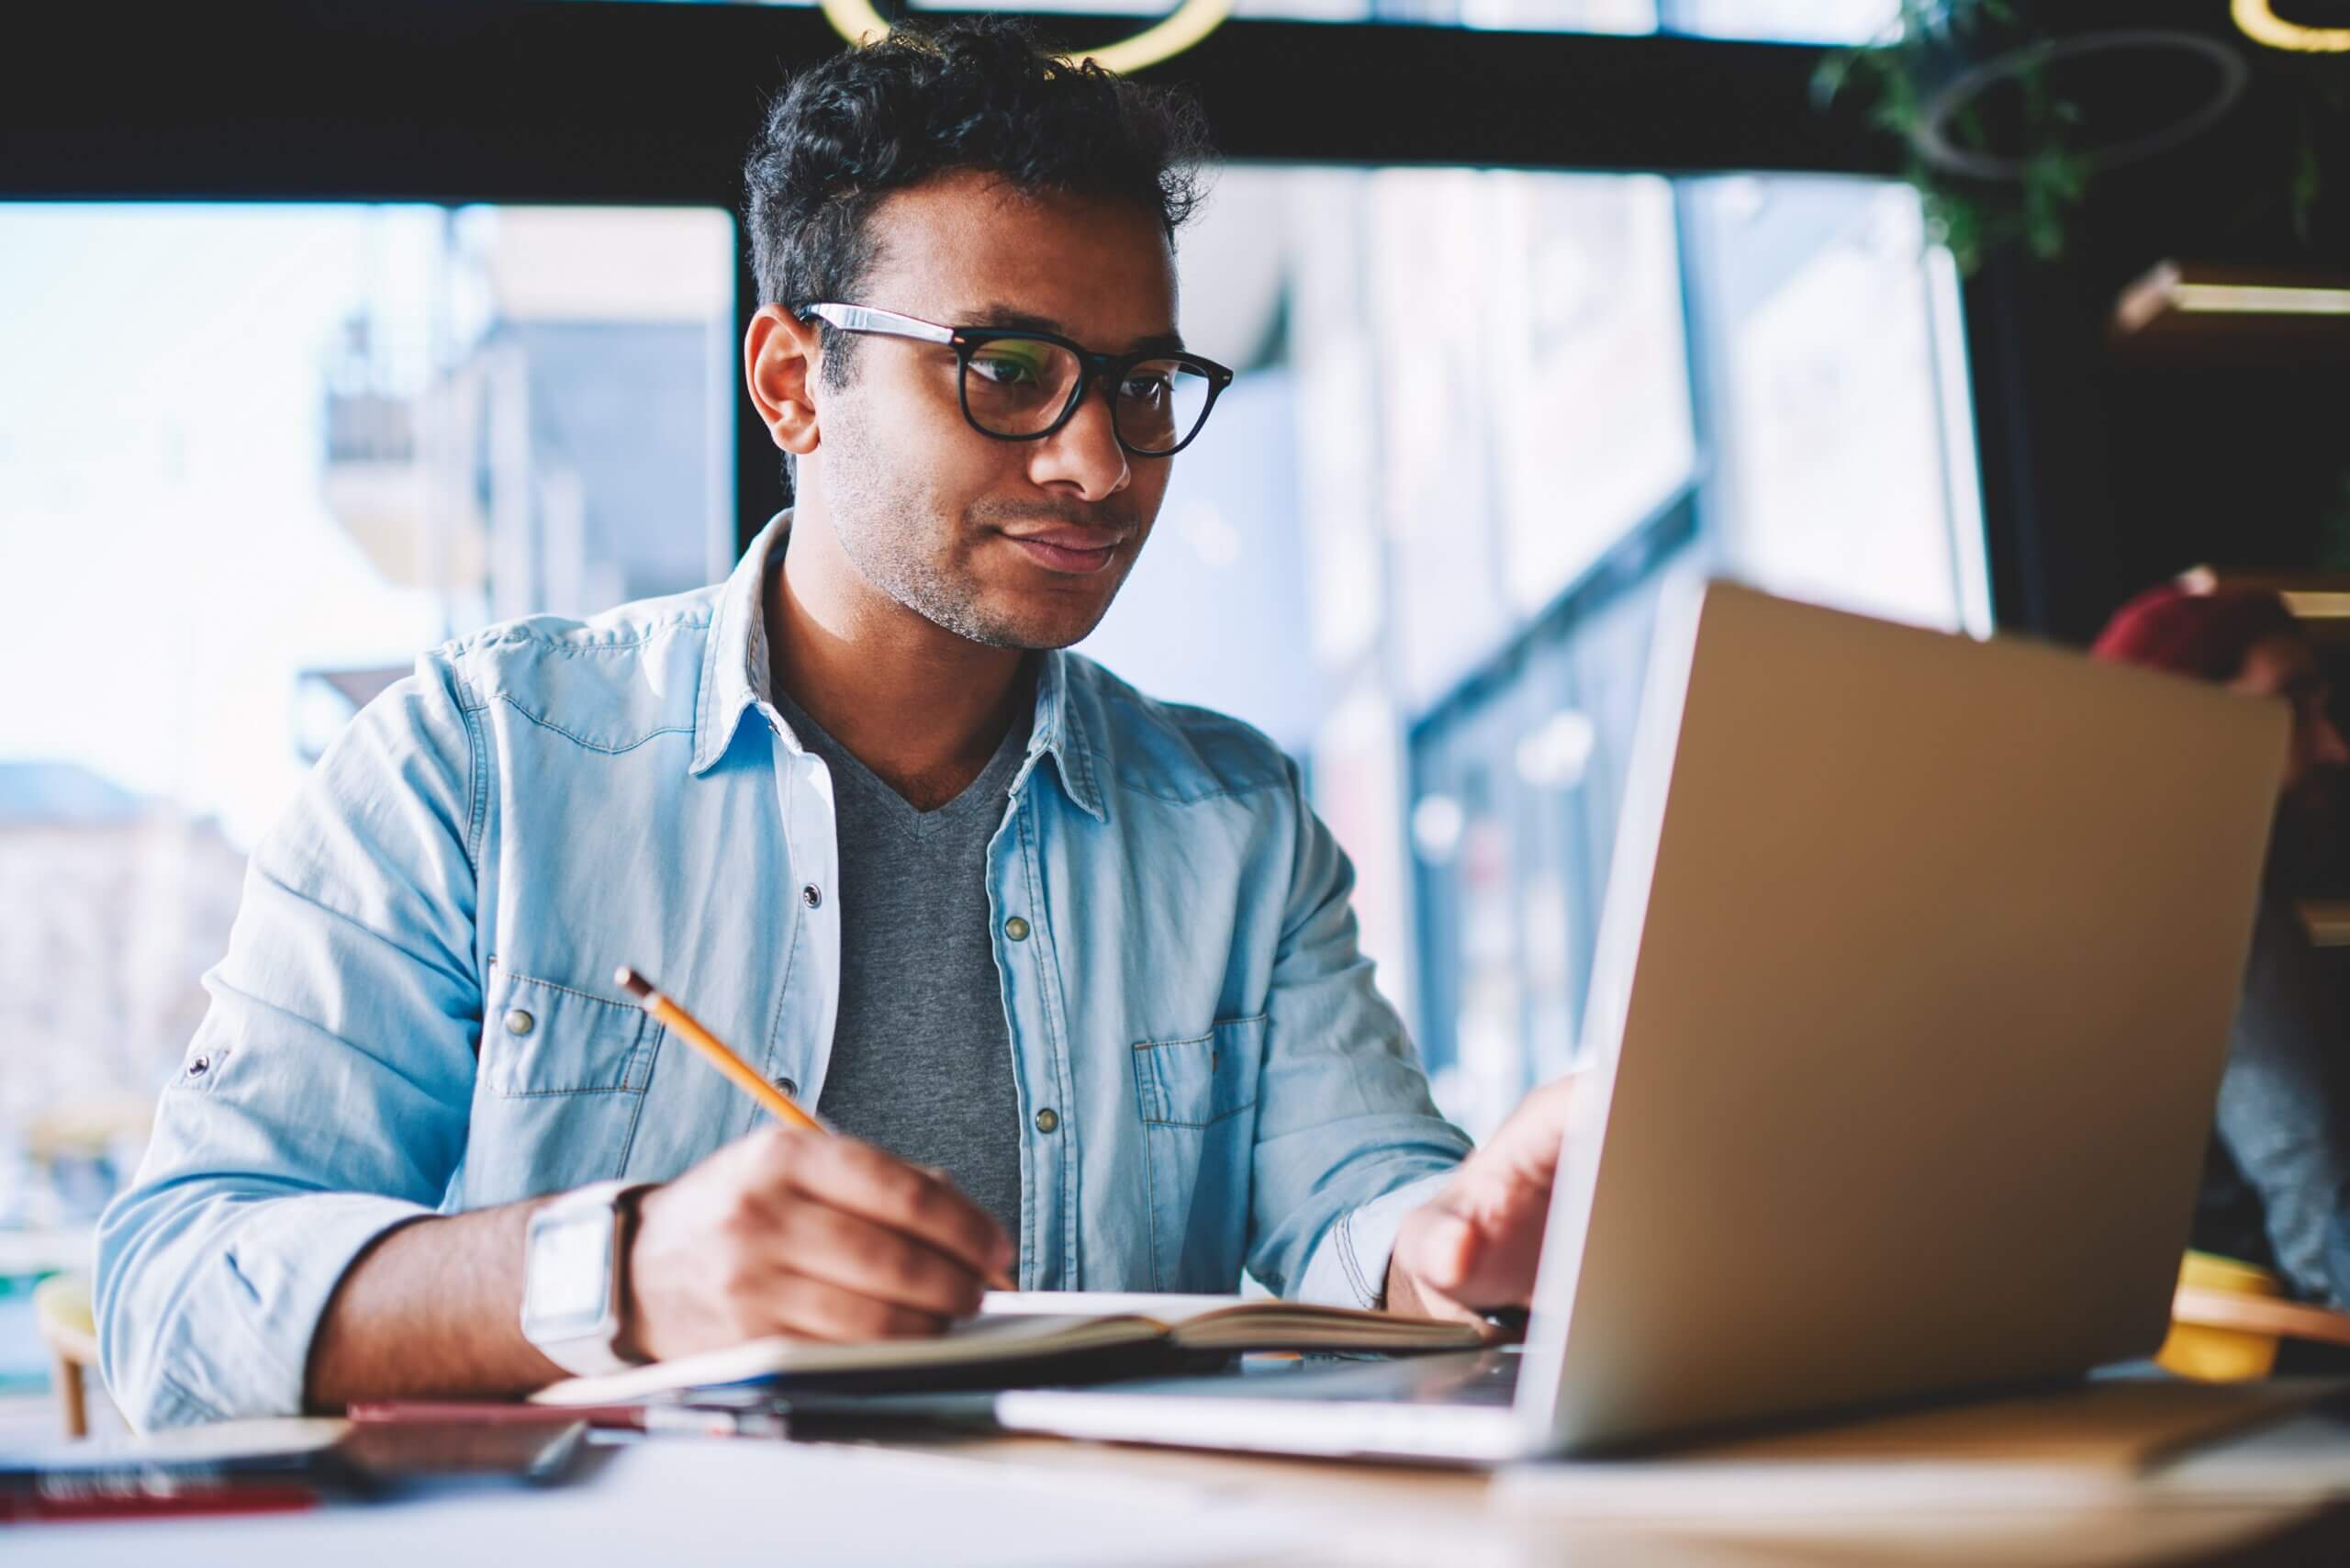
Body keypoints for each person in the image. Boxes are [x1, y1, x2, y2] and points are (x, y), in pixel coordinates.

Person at [95, 18, 1572, 1428]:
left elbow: (1366, 1206)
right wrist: (621, 1276)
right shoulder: (471, 763)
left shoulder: (1236, 821)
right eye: (1007, 373)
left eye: (1139, 384)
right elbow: (170, 1300)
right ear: (795, 383)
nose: (1098, 463)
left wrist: (1466, 1233)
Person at [2091, 580, 2350, 1306]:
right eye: (2293, 705)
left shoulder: (2103, 899)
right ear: (2185, 720)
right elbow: (2318, 1211)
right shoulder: (2210, 901)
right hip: (2260, 1367)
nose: (2332, 747)